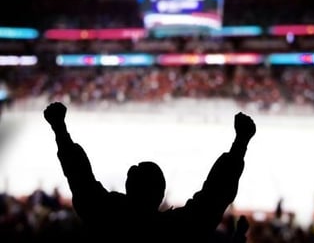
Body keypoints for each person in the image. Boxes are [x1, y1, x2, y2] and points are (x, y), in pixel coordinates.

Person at [43, 102, 256, 243]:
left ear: (127, 188)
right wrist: (240, 143)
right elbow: (212, 201)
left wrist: (60, 129)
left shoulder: (105, 217)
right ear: (161, 195)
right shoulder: (174, 231)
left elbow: (80, 180)